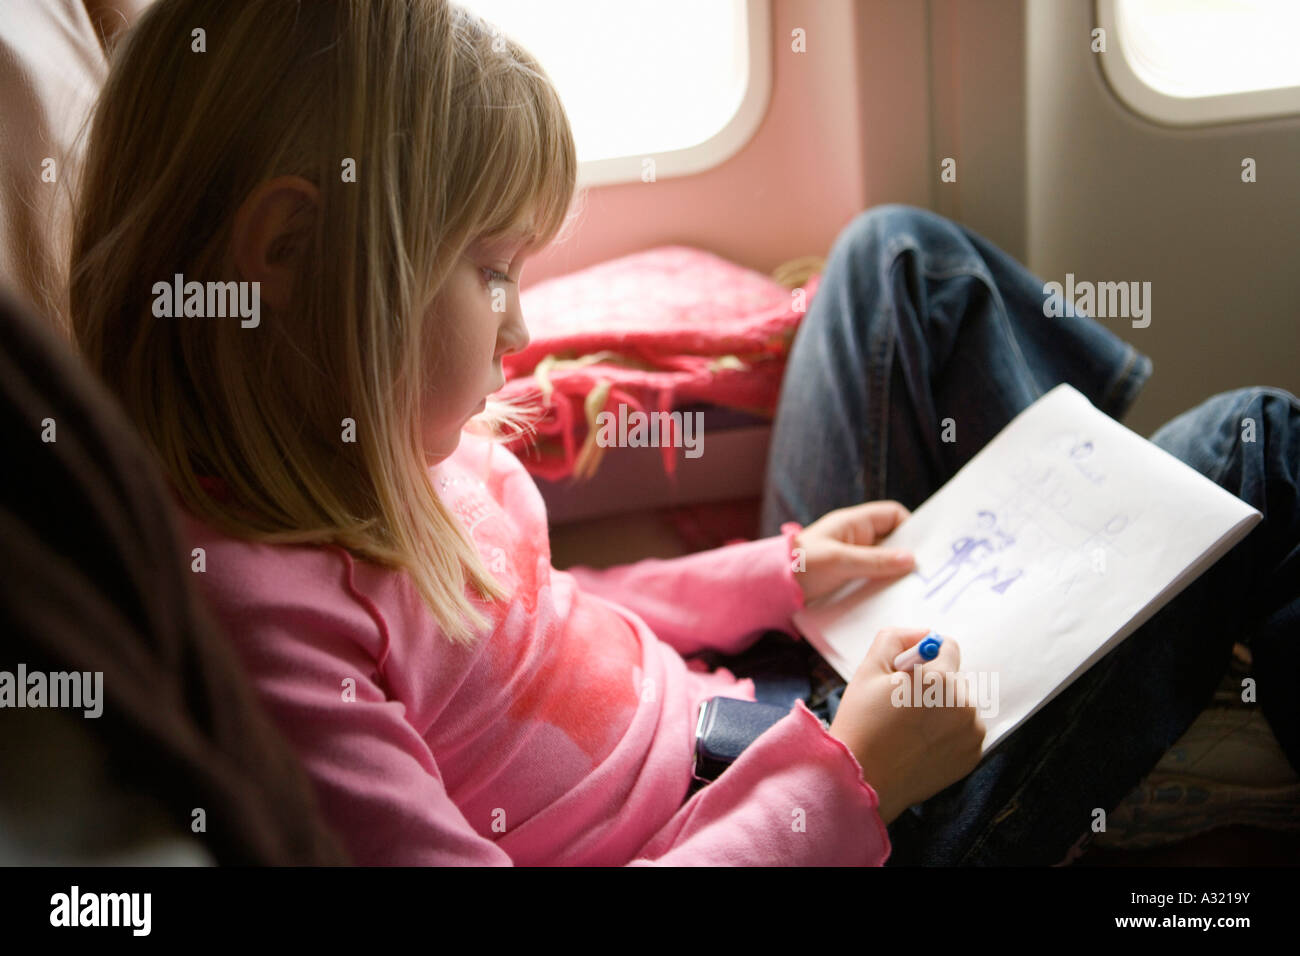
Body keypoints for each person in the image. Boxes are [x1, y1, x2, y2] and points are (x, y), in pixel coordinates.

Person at [64, 0, 1298, 866]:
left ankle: (1127, 593)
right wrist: (850, 777)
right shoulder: (260, 624)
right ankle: (1161, 653)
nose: (521, 321)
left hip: (755, 701)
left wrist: (778, 571)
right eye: (489, 270)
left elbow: (564, 624)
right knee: (1257, 443)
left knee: (896, 263)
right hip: (801, 823)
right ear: (284, 253)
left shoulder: (386, 448)